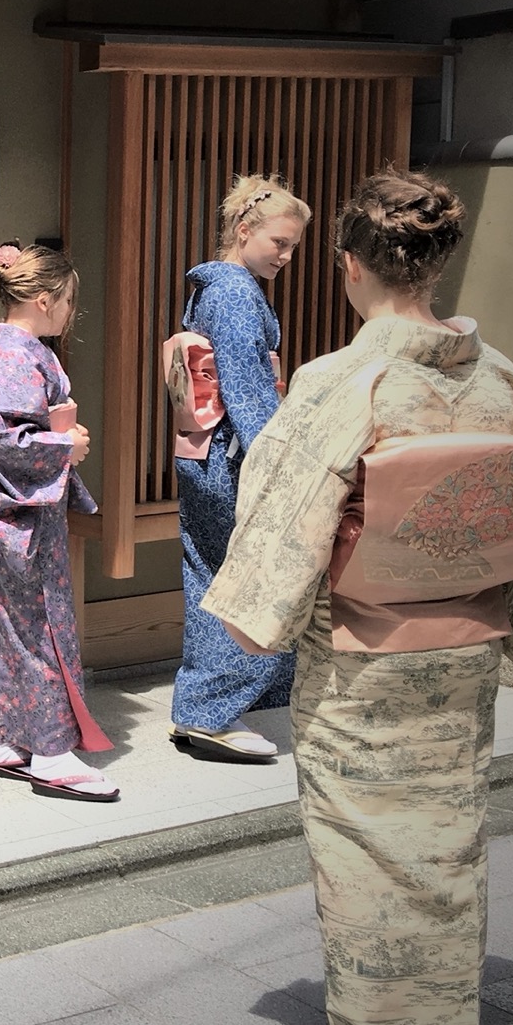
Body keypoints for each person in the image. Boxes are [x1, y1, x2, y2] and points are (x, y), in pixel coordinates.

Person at [204, 170, 513, 1025]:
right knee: (447, 842)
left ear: (350, 265)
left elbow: (285, 513)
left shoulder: (342, 382)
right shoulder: (501, 377)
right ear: (435, 264)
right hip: (465, 650)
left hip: (363, 658)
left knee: (365, 848)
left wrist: (252, 620)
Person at [0, 242, 119, 802]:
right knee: (41, 622)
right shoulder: (16, 357)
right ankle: (51, 752)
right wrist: (66, 445)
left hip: (3, 503)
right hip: (20, 508)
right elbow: (6, 440)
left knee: (4, 618)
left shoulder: (8, 352)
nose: (70, 312)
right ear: (45, 300)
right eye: (68, 301)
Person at [168, 175, 311, 762]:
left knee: (212, 571)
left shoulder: (215, 287)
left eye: (292, 247)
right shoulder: (233, 293)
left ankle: (224, 703)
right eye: (279, 242)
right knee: (252, 574)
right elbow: (248, 388)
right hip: (234, 454)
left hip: (205, 450)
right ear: (244, 230)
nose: (285, 256)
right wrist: (275, 460)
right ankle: (212, 710)